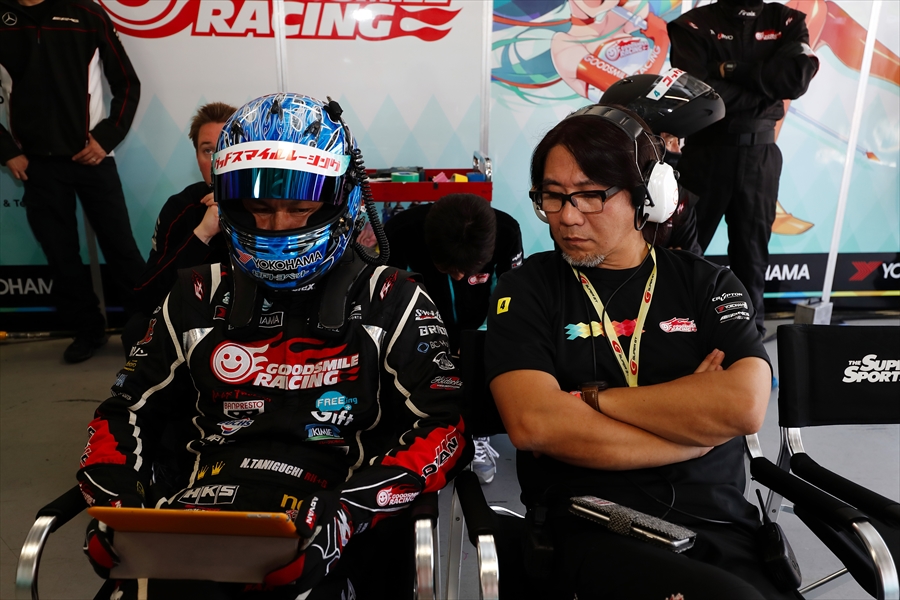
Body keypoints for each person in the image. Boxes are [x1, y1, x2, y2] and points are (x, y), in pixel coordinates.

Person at [77, 93, 472, 599]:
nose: (278, 225)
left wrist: (348, 512)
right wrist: (116, 505)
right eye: (259, 208)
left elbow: (444, 426)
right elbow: (124, 410)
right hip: (202, 520)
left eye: (299, 208)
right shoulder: (197, 292)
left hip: (335, 515)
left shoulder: (391, 297)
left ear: (341, 201)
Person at [486, 105, 787, 599]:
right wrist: (690, 433)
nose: (567, 216)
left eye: (590, 195)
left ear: (647, 195)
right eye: (553, 196)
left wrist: (590, 400)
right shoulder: (527, 289)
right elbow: (535, 423)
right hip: (592, 520)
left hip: (717, 520)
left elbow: (743, 406)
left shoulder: (708, 284)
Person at [0, 0, 145, 363]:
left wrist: (106, 138)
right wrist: (6, 150)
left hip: (92, 156)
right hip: (36, 164)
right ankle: (87, 330)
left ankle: (146, 332)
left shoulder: (87, 13)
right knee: (60, 254)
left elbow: (127, 83)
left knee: (122, 249)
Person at [667, 0, 820, 334]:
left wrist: (732, 70)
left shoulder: (787, 20)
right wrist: (766, 92)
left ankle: (750, 340)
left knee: (752, 258)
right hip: (705, 154)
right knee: (682, 253)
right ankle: (672, 335)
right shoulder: (691, 25)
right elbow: (698, 94)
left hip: (760, 157)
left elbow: (795, 80)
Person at [383, 193, 524, 485]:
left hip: (479, 322)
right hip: (422, 322)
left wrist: (479, 338)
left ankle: (478, 434)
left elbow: (511, 300)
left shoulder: (507, 232)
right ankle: (424, 434)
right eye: (448, 270)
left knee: (489, 355)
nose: (459, 277)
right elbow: (389, 301)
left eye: (468, 271)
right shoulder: (400, 232)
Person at [121, 102, 236, 352]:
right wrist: (202, 234)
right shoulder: (180, 208)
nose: (217, 161)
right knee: (137, 329)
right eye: (208, 150)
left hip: (254, 317)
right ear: (196, 157)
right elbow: (147, 296)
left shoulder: (271, 203)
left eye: (228, 149)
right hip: (196, 315)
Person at [599, 68, 727, 256]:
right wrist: (667, 261)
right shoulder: (596, 199)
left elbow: (692, 263)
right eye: (669, 140)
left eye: (678, 141)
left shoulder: (678, 198)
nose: (677, 150)